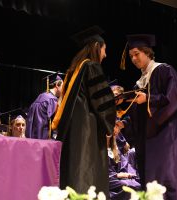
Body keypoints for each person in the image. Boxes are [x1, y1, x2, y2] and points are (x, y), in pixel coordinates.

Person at [51, 25, 116, 196]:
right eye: (104, 49)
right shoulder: (91, 67)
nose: (105, 54)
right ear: (97, 47)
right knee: (86, 178)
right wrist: (111, 120)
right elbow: (102, 101)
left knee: (72, 177)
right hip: (86, 134)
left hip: (72, 132)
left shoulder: (75, 69)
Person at [123, 34, 177, 199]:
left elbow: (175, 98)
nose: (134, 58)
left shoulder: (164, 70)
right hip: (147, 139)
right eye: (131, 56)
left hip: (165, 136)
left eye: (136, 54)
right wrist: (125, 123)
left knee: (166, 178)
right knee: (149, 180)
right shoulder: (139, 83)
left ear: (147, 52)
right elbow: (137, 115)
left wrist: (148, 99)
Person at [25, 72, 63, 139]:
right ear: (57, 85)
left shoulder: (40, 97)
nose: (63, 90)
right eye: (63, 86)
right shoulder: (52, 100)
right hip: (43, 139)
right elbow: (56, 122)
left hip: (32, 139)